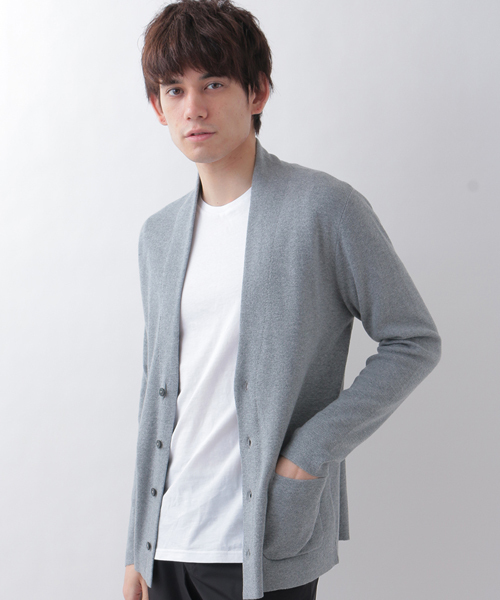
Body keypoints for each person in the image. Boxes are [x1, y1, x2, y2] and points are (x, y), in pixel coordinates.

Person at [123, 1, 442, 599]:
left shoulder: (323, 208)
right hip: (167, 542)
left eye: (213, 83)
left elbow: (413, 341)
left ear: (258, 92)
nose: (193, 108)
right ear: (158, 106)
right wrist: (136, 544)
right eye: (174, 90)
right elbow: (156, 391)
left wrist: (310, 450)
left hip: (264, 537)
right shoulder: (158, 235)